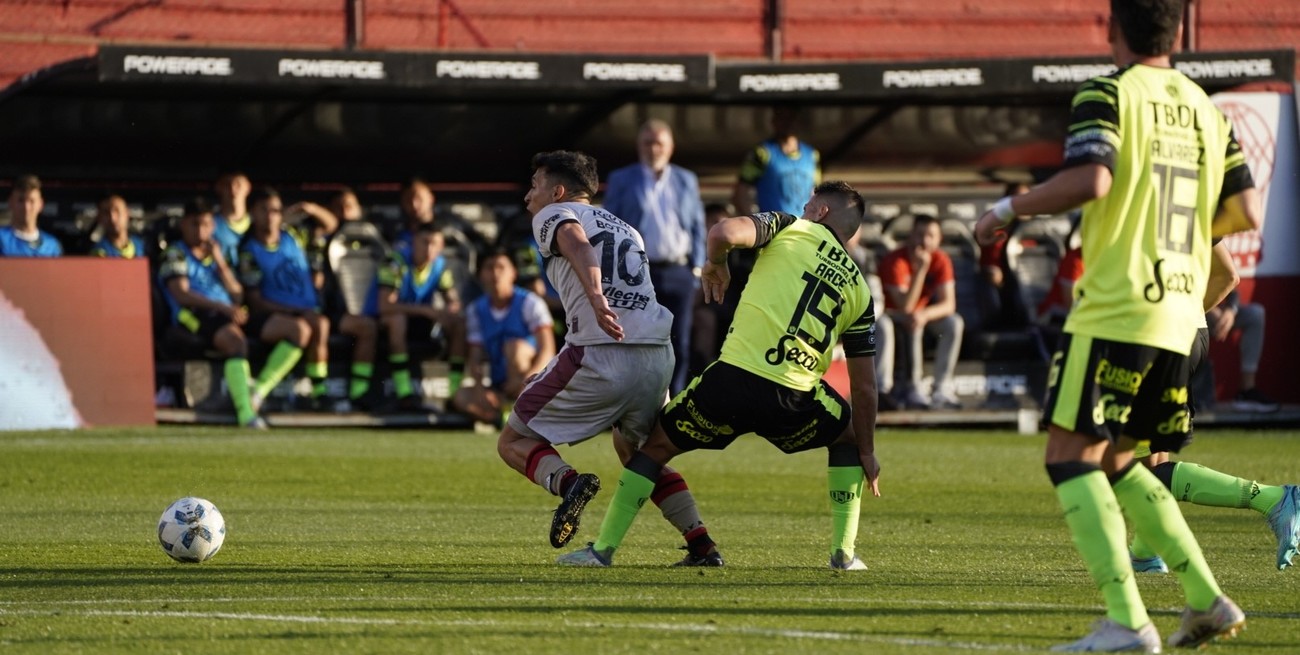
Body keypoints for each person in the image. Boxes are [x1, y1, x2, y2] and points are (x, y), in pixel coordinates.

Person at [973, 1, 1258, 650]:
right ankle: (1207, 599)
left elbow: (1093, 178)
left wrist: (1007, 209)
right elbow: (1244, 210)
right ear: (1178, 32)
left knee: (1068, 455)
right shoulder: (1209, 111)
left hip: (1119, 306)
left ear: (1111, 29)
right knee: (1122, 459)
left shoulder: (1108, 91)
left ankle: (1129, 621)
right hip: (1181, 313)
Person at [559, 180, 880, 570]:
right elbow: (864, 385)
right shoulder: (862, 292)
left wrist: (716, 263)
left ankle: (602, 551)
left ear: (821, 212)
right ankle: (843, 554)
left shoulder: (789, 225)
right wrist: (867, 451)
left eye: (808, 203)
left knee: (653, 448)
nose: (803, 206)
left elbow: (722, 232)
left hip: (731, 382)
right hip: (793, 398)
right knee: (845, 437)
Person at [496, 150, 719, 565]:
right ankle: (702, 545)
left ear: (558, 191)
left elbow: (578, 245)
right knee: (640, 453)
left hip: (601, 350)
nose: (529, 196)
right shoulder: (629, 229)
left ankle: (568, 483)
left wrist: (597, 298)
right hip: (656, 354)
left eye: (535, 185)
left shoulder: (553, 214)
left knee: (513, 441)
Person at [1126, 242, 1299, 574]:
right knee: (1152, 457)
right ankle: (1145, 552)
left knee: (1112, 467)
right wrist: (1184, 315)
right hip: (1189, 332)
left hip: (1151, 335)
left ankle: (1271, 499)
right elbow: (1229, 276)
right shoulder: (1194, 204)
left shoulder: (1136, 203)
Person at [602, 119, 706, 395]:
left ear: (670, 147)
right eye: (648, 142)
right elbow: (608, 225)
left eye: (659, 142)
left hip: (679, 270)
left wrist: (697, 269)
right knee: (635, 340)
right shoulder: (622, 179)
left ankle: (674, 405)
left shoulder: (686, 179)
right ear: (639, 146)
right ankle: (635, 402)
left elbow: (697, 226)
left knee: (679, 341)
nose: (653, 148)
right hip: (637, 272)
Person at [158, 198, 268, 428]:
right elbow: (181, 295)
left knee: (292, 330)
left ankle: (259, 391)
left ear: (213, 226)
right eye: (194, 224)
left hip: (226, 312)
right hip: (193, 314)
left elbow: (237, 295)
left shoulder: (219, 254)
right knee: (236, 343)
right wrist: (221, 307)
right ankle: (246, 414)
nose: (200, 231)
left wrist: (220, 262)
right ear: (183, 225)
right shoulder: (176, 253)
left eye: (205, 224)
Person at [238, 186, 335, 411]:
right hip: (270, 315)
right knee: (300, 329)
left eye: (275, 210)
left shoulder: (294, 236)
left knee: (321, 324)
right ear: (253, 213)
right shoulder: (249, 250)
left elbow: (330, 225)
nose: (271, 215)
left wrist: (308, 208)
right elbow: (255, 301)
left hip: (305, 311)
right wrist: (293, 311)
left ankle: (319, 393)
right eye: (264, 210)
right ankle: (259, 390)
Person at [452, 248, 555, 425]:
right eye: (489, 268)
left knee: (515, 347)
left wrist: (528, 381)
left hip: (531, 380)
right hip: (498, 383)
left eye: (501, 267)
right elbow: (475, 356)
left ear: (514, 272)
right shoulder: (476, 310)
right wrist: (479, 389)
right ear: (480, 275)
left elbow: (548, 350)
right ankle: (500, 417)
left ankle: (522, 408)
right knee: (461, 396)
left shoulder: (530, 303)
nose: (495, 273)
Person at [371, 222, 466, 409]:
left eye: (434, 244)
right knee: (397, 321)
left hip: (419, 320)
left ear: (441, 247)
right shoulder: (394, 262)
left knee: (459, 323)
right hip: (383, 319)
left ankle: (454, 393)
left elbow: (452, 298)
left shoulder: (440, 266)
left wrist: (452, 308)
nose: (429, 248)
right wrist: (426, 310)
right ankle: (404, 391)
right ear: (414, 242)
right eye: (425, 242)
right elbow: (384, 306)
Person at [875, 214, 963, 410]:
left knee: (953, 323)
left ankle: (942, 388)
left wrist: (925, 314)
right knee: (911, 319)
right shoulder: (895, 261)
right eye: (920, 234)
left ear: (939, 239)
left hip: (919, 314)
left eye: (931, 235)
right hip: (891, 313)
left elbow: (949, 304)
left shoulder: (941, 259)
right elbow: (905, 306)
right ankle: (908, 387)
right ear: (910, 236)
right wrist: (921, 270)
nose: (924, 241)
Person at [1207, 291, 1277, 412]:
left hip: (1213, 314)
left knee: (1255, 314)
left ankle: (1246, 391)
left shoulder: (1215, 270)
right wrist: (1207, 309)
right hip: (1186, 313)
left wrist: (1230, 311)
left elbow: (1232, 288)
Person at [977, 182, 1032, 330]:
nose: (1023, 203)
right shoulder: (998, 227)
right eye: (1018, 198)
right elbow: (991, 263)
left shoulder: (1035, 228)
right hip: (1006, 285)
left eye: (1026, 198)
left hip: (1031, 283)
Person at [0, 174, 62, 257]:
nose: (26, 207)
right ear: (10, 202)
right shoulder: (2, 240)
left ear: (40, 205)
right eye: (21, 200)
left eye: (32, 201)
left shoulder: (51, 245)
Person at [212, 171, 252, 266]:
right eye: (227, 184)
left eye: (238, 184)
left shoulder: (260, 224)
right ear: (218, 188)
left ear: (248, 187)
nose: (232, 189)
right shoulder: (207, 227)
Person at [88, 194, 145, 259]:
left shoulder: (143, 247)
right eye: (106, 213)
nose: (112, 218)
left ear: (127, 213)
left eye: (117, 211)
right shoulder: (98, 252)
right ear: (99, 218)